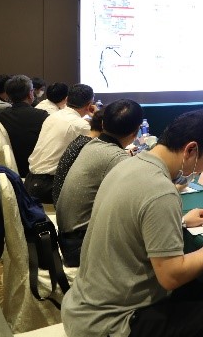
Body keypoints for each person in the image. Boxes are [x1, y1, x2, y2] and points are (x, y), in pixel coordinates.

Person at [61, 109, 203, 337]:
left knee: (200, 293)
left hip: (82, 312)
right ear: (191, 150)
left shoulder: (129, 164)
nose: (202, 169)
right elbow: (171, 276)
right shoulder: (161, 190)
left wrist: (180, 221)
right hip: (109, 332)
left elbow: (133, 223)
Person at [56, 99, 143, 267]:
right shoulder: (116, 158)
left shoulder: (91, 145)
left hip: (68, 238)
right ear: (136, 132)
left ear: (102, 124)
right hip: (81, 247)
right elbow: (140, 201)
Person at [26, 83, 97, 204]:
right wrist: (96, 116)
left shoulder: (53, 116)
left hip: (31, 181)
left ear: (67, 99)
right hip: (48, 187)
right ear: (90, 105)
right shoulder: (81, 125)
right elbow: (103, 143)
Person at [0, 75, 49, 177]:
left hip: (9, 167)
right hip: (34, 169)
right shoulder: (42, 115)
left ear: (8, 95)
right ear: (30, 94)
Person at [52, 110, 104, 207]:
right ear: (104, 125)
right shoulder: (90, 146)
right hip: (69, 206)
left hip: (62, 201)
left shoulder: (82, 140)